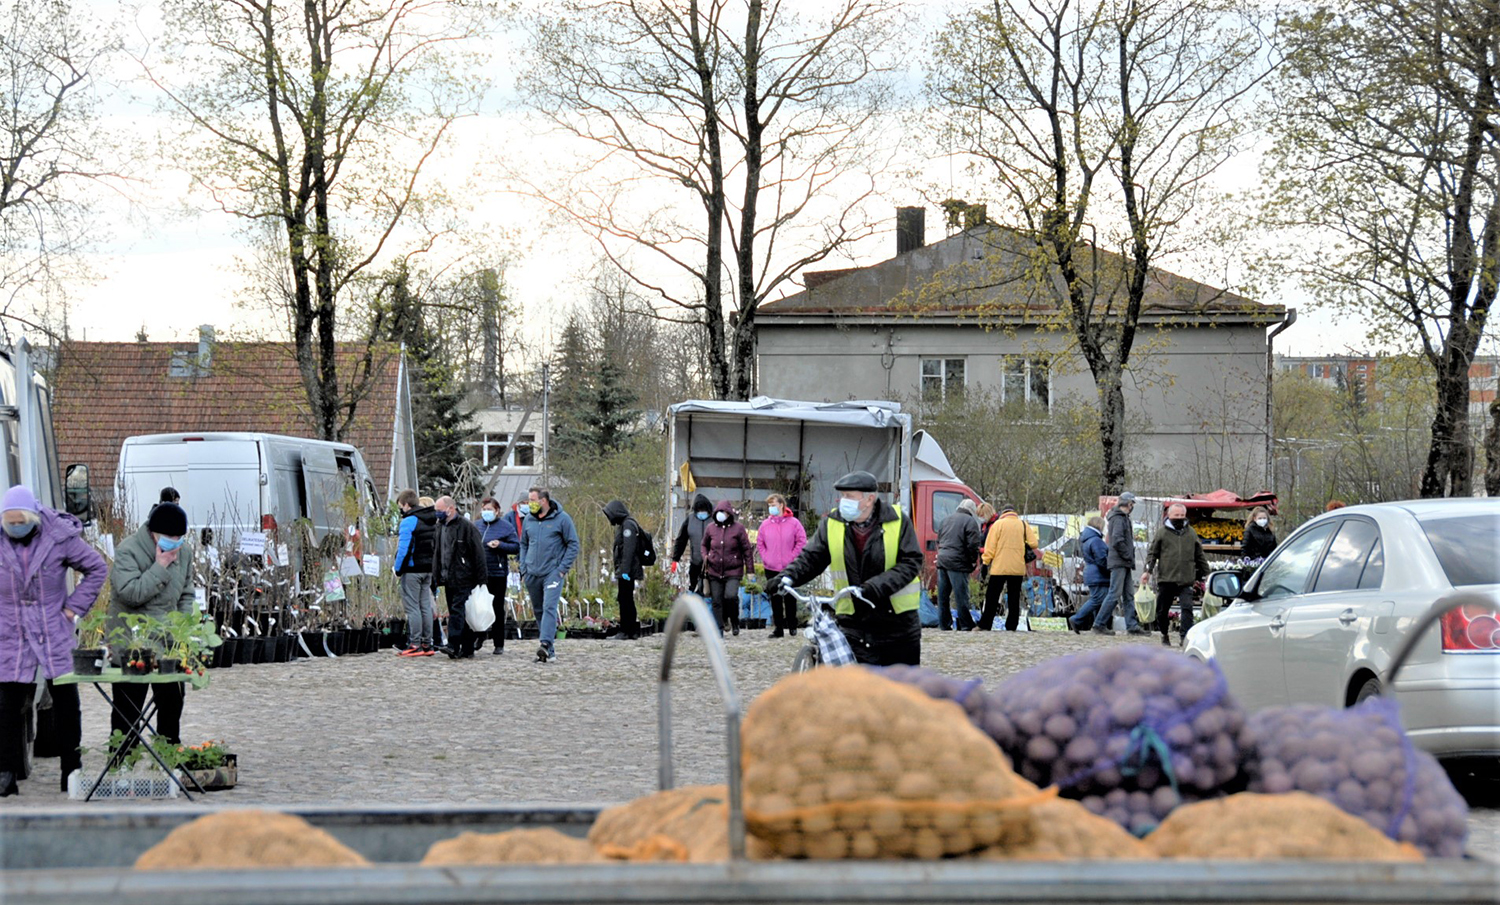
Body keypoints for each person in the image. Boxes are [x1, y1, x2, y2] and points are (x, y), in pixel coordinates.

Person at [0, 485, 107, 795]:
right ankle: (5, 772)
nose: (16, 526)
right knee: (7, 702)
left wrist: (74, 608)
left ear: (35, 517)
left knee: (64, 700)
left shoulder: (58, 536)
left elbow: (97, 567)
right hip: (12, 629)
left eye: (21, 520)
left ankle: (71, 770)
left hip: (52, 627)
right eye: (10, 521)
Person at [776, 471, 923, 666]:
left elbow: (911, 562)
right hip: (854, 623)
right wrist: (787, 577)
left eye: (849, 496)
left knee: (900, 690)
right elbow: (812, 557)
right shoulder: (833, 523)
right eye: (842, 496)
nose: (843, 501)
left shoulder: (897, 520)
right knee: (858, 688)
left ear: (869, 499)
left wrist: (876, 586)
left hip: (897, 625)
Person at [108, 501, 195, 751]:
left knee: (171, 703)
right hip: (132, 644)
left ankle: (167, 759)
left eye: (180, 537)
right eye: (169, 537)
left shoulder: (184, 553)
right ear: (153, 533)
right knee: (128, 712)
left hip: (167, 646)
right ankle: (122, 761)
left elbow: (186, 593)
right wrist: (160, 566)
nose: (175, 542)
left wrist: (182, 626)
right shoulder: (129, 551)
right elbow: (130, 593)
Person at [519, 487, 580, 663]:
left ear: (543, 501)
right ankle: (549, 651)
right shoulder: (529, 520)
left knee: (549, 607)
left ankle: (545, 643)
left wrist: (561, 569)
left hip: (552, 573)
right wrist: (524, 568)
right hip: (532, 573)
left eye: (532, 500)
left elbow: (573, 545)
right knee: (538, 610)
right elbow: (523, 544)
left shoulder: (562, 519)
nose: (528, 504)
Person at [1143, 503, 1209, 647]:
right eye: (1176, 515)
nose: (1179, 518)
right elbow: (1153, 554)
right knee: (1162, 610)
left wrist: (1207, 573)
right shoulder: (1162, 533)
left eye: (1181, 515)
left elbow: (1199, 555)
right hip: (1166, 578)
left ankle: (1184, 637)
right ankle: (1164, 633)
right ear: (1169, 515)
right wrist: (1147, 571)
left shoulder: (1191, 533)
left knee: (1187, 608)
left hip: (1186, 579)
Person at [430, 496, 487, 659]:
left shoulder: (466, 527)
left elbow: (478, 554)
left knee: (457, 611)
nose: (437, 514)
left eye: (439, 511)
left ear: (450, 508)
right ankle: (467, 647)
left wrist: (482, 580)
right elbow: (437, 551)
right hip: (447, 577)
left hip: (465, 577)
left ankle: (453, 644)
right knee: (461, 612)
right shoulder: (440, 527)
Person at [1092, 492, 1148, 636]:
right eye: (1132, 504)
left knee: (1129, 594)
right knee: (1114, 593)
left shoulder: (1121, 517)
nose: (1133, 506)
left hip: (1124, 561)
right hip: (1120, 561)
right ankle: (1099, 624)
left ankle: (1132, 625)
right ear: (1129, 504)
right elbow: (1117, 540)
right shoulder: (1118, 518)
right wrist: (1128, 555)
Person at [392, 489, 439, 657]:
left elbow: (403, 549)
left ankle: (415, 643)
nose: (400, 510)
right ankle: (428, 644)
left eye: (400, 506)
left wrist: (398, 569)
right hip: (428, 569)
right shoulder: (432, 520)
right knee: (425, 605)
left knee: (412, 608)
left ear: (406, 504)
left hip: (412, 570)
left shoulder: (409, 521)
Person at [979, 504, 1039, 632]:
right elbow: (1034, 543)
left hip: (999, 567)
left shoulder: (998, 525)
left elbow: (990, 548)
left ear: (1003, 513)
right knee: (1014, 597)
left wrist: (985, 562)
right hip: (1017, 567)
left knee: (992, 597)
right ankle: (1011, 625)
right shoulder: (1023, 524)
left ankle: (986, 624)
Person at [756, 493, 807, 638]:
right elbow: (760, 543)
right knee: (775, 598)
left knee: (790, 597)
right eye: (769, 505)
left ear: (781, 505)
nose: (771, 508)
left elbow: (801, 541)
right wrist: (766, 557)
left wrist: (792, 557)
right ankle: (778, 628)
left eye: (773, 505)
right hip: (771, 567)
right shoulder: (765, 524)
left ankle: (792, 625)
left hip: (789, 566)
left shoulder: (794, 523)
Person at [702, 501, 752, 636]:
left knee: (730, 596)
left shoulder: (738, 529)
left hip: (733, 570)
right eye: (718, 512)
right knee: (716, 600)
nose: (720, 515)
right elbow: (704, 545)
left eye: (723, 512)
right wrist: (706, 556)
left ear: (729, 514)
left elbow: (747, 550)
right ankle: (719, 626)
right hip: (714, 570)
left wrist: (750, 570)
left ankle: (734, 620)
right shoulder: (710, 528)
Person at [477, 497, 519, 655]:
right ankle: (479, 636)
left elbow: (516, 546)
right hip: (480, 573)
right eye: (484, 509)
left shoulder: (506, 527)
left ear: (497, 510)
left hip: (497, 572)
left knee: (496, 608)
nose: (486, 512)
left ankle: (498, 642)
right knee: (479, 607)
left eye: (489, 509)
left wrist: (500, 545)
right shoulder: (476, 526)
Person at [935, 499, 983, 631]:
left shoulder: (946, 520)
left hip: (942, 560)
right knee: (961, 595)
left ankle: (944, 624)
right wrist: (973, 560)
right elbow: (973, 545)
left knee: (943, 596)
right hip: (958, 562)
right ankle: (966, 624)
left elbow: (938, 540)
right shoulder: (970, 521)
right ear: (972, 510)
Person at [603, 500, 644, 640]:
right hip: (626, 569)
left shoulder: (628, 526)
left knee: (625, 599)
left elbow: (629, 549)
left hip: (628, 570)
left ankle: (626, 630)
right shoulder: (626, 524)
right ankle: (629, 630)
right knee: (625, 598)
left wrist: (624, 571)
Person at [1067, 516, 1111, 633]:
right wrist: (1111, 569)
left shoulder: (1087, 539)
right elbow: (1102, 559)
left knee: (1099, 601)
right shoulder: (1096, 540)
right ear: (1099, 525)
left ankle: (1099, 625)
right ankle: (1077, 619)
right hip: (1098, 575)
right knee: (1098, 599)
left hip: (1091, 574)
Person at [670, 493, 713, 595]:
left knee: (710, 591)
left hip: (712, 564)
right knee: (694, 589)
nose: (702, 513)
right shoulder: (690, 520)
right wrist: (675, 558)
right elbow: (681, 540)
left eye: (704, 510)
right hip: (695, 562)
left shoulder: (714, 520)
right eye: (699, 510)